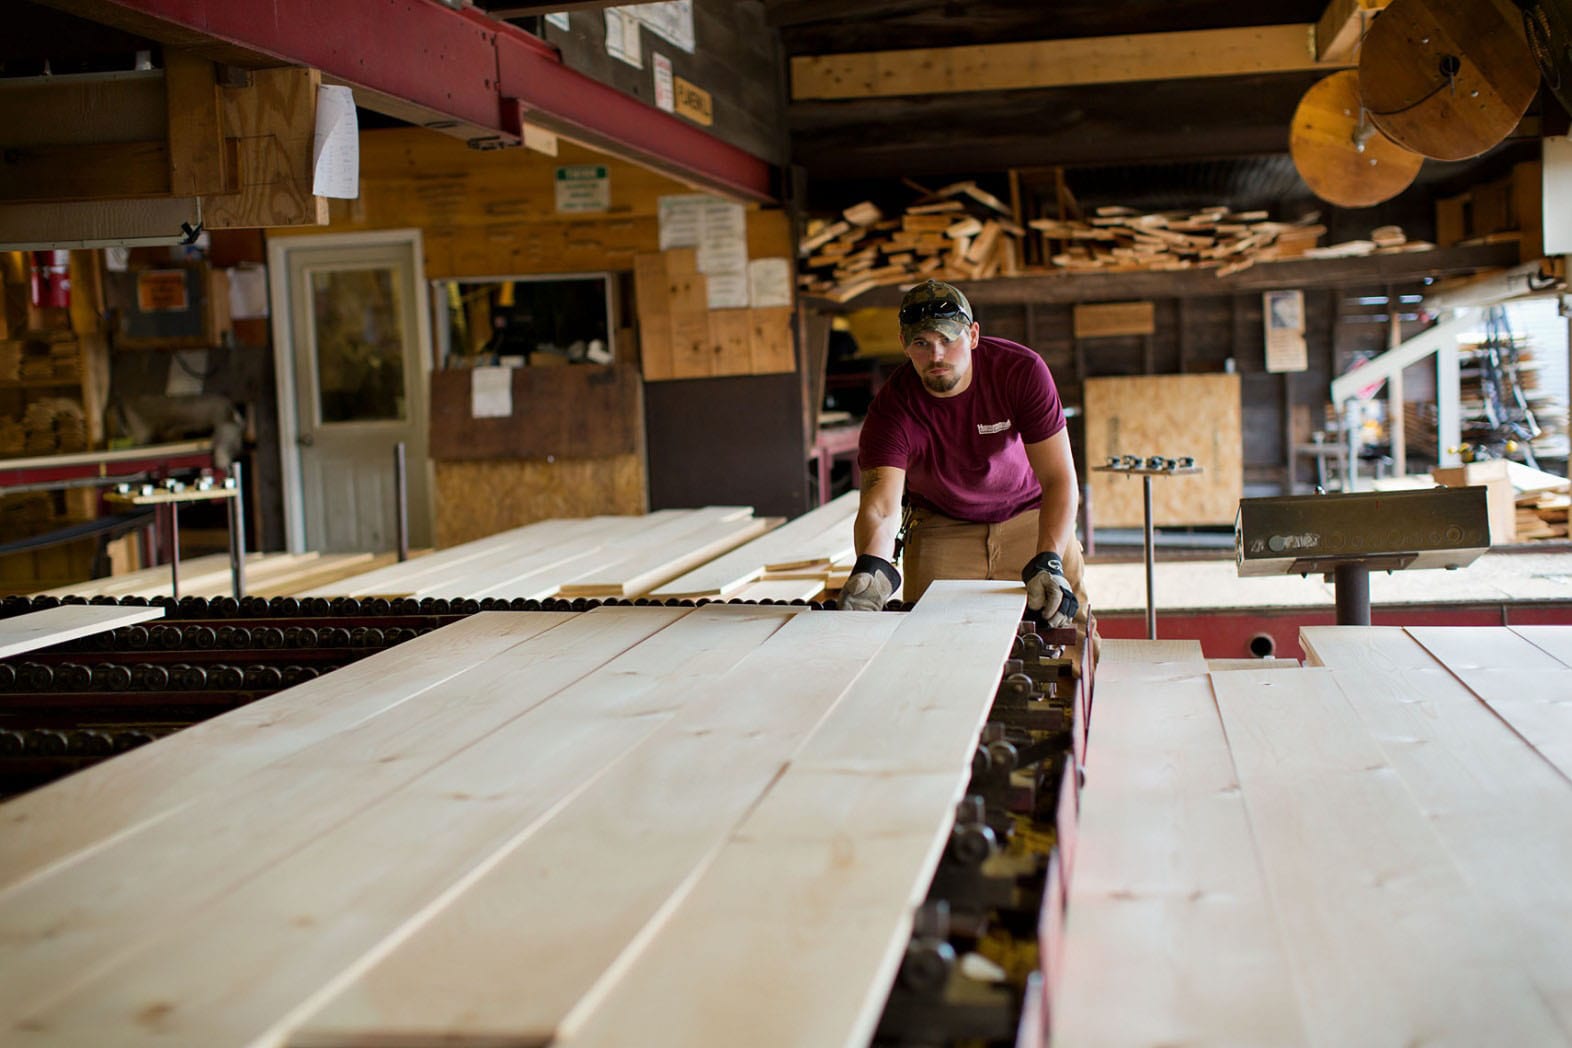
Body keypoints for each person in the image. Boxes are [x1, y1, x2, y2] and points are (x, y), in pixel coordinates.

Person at [838, 279, 1091, 641]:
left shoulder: (1021, 372)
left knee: (1070, 634)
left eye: (947, 340)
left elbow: (1059, 479)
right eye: (921, 343)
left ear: (972, 335)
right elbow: (880, 505)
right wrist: (872, 567)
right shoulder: (892, 408)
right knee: (925, 643)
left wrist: (1049, 558)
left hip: (1030, 517)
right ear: (904, 345)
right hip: (944, 524)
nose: (936, 356)